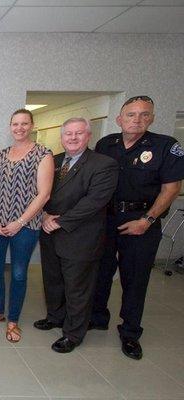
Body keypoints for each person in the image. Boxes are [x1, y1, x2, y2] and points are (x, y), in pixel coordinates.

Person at [90, 96, 184, 360]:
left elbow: (171, 188)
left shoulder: (166, 146)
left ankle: (130, 332)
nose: (137, 119)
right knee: (101, 271)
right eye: (131, 114)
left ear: (152, 118)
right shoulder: (106, 144)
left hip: (142, 220)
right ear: (120, 119)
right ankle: (97, 317)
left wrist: (148, 220)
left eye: (144, 115)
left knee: (135, 279)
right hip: (106, 220)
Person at [34, 117, 118, 353]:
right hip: (49, 230)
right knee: (53, 280)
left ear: (88, 135)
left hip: (80, 235)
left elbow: (95, 202)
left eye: (78, 133)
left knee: (77, 287)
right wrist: (43, 215)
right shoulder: (54, 161)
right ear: (62, 137)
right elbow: (39, 191)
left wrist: (59, 220)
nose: (72, 138)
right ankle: (55, 317)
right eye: (68, 134)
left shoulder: (103, 164)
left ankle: (73, 333)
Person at [0, 109, 53, 343]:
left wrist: (19, 222)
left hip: (26, 226)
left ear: (31, 125)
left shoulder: (43, 154)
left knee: (19, 273)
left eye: (24, 123)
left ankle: (13, 321)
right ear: (10, 126)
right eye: (15, 124)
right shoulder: (1, 155)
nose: (19, 128)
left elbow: (44, 194)